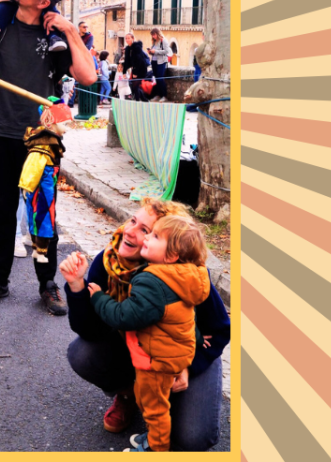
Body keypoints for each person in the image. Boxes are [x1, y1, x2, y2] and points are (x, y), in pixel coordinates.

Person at [0, 0, 97, 314]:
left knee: (42, 216)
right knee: (2, 215)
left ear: (43, 1)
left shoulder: (55, 36)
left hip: (40, 140)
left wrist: (71, 30)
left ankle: (47, 284)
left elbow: (88, 76)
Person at [60, 199, 230, 452]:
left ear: (172, 250)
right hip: (142, 351)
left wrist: (187, 365)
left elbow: (219, 329)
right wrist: (77, 287)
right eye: (133, 221)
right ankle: (130, 394)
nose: (129, 231)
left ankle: (162, 411)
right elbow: (91, 332)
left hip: (188, 352)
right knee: (82, 354)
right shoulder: (109, 263)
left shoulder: (187, 275)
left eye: (146, 231)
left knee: (193, 438)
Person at [86, 214, 210, 452]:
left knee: (154, 408)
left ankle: (156, 447)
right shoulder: (185, 277)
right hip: (175, 353)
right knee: (149, 399)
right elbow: (186, 318)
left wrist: (99, 298)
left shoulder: (153, 282)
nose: (146, 239)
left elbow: (124, 316)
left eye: (153, 236)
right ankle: (154, 435)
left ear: (171, 255)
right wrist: (194, 343)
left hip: (157, 362)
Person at [18, 99, 72, 263]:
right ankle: (40, 251)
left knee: (41, 216)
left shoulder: (48, 141)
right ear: (53, 123)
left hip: (47, 185)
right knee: (43, 217)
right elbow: (33, 166)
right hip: (42, 186)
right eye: (64, 124)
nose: (67, 128)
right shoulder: (43, 144)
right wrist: (27, 185)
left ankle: (38, 248)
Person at [122, 33, 150, 103]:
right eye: (126, 38)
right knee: (135, 86)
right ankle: (144, 100)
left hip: (141, 69)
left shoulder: (137, 47)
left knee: (135, 85)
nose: (127, 40)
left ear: (132, 39)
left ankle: (138, 101)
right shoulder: (127, 48)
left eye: (129, 38)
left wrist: (135, 73)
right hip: (135, 69)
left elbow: (139, 60)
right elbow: (127, 61)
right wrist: (124, 72)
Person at [148, 28, 169, 102]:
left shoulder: (163, 41)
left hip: (161, 62)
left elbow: (166, 51)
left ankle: (164, 95)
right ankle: (159, 95)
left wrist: (155, 51)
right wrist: (150, 52)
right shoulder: (154, 42)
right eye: (152, 35)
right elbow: (154, 52)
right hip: (154, 62)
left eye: (154, 35)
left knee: (160, 78)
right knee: (156, 79)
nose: (153, 36)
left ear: (157, 34)